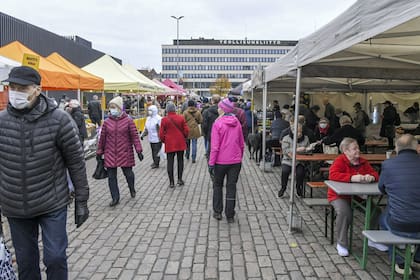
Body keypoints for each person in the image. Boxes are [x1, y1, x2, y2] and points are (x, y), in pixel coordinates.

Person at [0, 66, 89, 279]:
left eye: (22, 88)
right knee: (26, 263)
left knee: (55, 258)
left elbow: (76, 161)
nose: (16, 92)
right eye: (12, 87)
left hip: (52, 202)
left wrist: (82, 199)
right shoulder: (2, 122)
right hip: (15, 206)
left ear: (37, 90)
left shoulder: (59, 120)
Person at [328, 137, 379, 257]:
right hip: (340, 196)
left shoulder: (363, 161)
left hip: (358, 196)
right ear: (346, 151)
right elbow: (333, 174)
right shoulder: (340, 161)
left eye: (358, 148)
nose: (358, 150)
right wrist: (351, 178)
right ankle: (342, 244)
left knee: (375, 211)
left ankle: (372, 239)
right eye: (354, 148)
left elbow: (375, 173)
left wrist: (371, 177)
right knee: (345, 213)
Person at [377, 134, 420, 275]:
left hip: (399, 223)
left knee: (382, 218)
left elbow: (381, 188)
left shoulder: (388, 165)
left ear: (396, 148)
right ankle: (418, 258)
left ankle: (399, 261)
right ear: (417, 148)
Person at [97, 96, 143, 207]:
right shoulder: (107, 122)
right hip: (110, 153)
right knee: (112, 177)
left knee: (128, 174)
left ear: (119, 108)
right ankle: (115, 197)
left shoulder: (128, 121)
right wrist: (99, 152)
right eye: (110, 107)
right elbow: (102, 138)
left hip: (125, 152)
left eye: (114, 107)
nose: (112, 110)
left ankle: (132, 188)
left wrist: (139, 150)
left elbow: (134, 136)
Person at [208, 98, 245, 223]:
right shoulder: (237, 123)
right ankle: (230, 214)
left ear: (223, 109)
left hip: (220, 162)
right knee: (231, 187)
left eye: (219, 107)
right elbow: (241, 144)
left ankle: (218, 211)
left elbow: (214, 147)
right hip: (235, 161)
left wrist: (211, 163)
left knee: (217, 185)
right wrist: (240, 157)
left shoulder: (217, 124)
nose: (218, 109)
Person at [159, 102, 189, 188]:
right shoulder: (181, 118)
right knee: (180, 161)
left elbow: (161, 134)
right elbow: (186, 130)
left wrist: (165, 140)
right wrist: (184, 136)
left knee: (170, 162)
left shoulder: (164, 120)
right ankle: (179, 179)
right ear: (175, 109)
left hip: (170, 143)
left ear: (167, 110)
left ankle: (171, 182)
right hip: (180, 142)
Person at [278, 124, 310, 198]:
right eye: (297, 132)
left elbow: (308, 149)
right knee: (285, 171)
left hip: (300, 161)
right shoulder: (286, 138)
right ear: (292, 131)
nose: (299, 133)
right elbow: (285, 150)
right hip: (288, 160)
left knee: (300, 173)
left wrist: (308, 149)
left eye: (300, 132)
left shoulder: (306, 138)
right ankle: (283, 187)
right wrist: (296, 150)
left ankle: (299, 188)